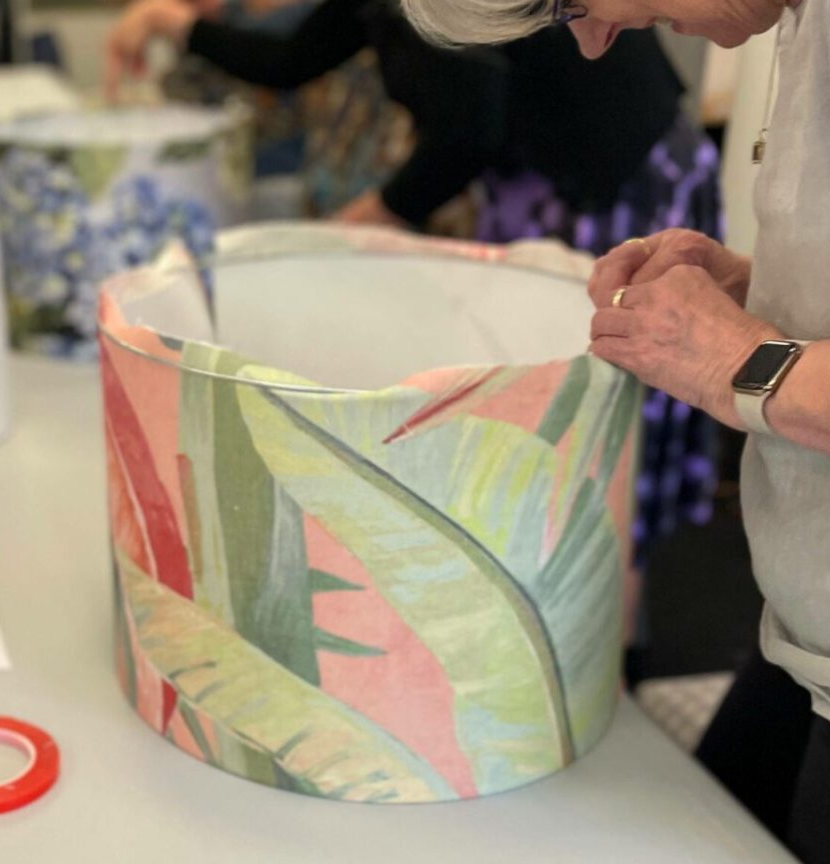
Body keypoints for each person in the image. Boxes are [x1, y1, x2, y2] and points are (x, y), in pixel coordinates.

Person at [397, 0, 830, 864]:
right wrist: (759, 281)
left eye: (578, 3)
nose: (589, 41)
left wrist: (740, 362)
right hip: (816, 634)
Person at [105, 0, 722, 562]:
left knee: (596, 427)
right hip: (533, 174)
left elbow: (466, 132)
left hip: (613, 175)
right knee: (536, 422)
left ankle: (611, 642)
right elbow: (294, 59)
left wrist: (367, 219)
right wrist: (175, 24)